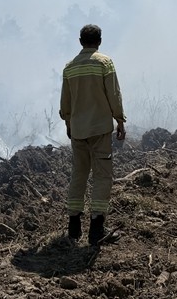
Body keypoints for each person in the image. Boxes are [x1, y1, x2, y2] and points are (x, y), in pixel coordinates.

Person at [60, 24, 126, 245]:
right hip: (99, 129)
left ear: (80, 41)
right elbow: (114, 94)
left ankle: (73, 227)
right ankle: (97, 229)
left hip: (78, 130)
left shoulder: (69, 68)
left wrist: (69, 123)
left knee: (79, 173)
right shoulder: (104, 63)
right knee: (102, 175)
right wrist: (119, 119)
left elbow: (65, 103)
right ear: (99, 41)